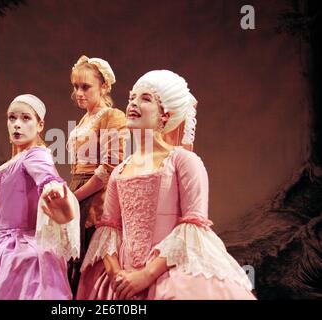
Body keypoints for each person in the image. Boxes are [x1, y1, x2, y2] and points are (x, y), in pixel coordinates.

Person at [76, 70, 256, 300]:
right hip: (122, 279)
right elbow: (108, 228)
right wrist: (117, 276)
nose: (133, 103)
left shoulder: (183, 160)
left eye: (146, 98)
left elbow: (193, 225)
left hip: (169, 272)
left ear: (165, 115)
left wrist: (146, 275)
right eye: (132, 97)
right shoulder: (119, 171)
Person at [0, 94, 80, 300]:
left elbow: (48, 178)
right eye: (12, 118)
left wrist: (54, 192)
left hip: (21, 255)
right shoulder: (16, 160)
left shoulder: (36, 155)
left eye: (25, 118)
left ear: (40, 125)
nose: (17, 125)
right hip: (2, 250)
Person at [66, 55, 128, 296]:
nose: (79, 93)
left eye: (85, 86)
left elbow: (109, 168)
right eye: (75, 87)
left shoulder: (112, 116)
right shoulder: (85, 119)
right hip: (79, 188)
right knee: (73, 259)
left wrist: (76, 196)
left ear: (104, 86)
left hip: (96, 196)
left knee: (90, 261)